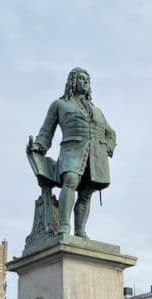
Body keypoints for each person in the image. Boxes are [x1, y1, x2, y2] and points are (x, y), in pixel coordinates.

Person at [31, 67, 116, 238]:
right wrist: (40, 145)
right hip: (72, 150)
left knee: (86, 193)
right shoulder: (60, 104)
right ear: (72, 82)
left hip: (95, 156)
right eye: (81, 79)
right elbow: (47, 129)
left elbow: (111, 132)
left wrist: (108, 146)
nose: (85, 82)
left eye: (87, 80)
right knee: (70, 179)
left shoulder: (97, 111)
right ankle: (64, 226)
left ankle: (80, 231)